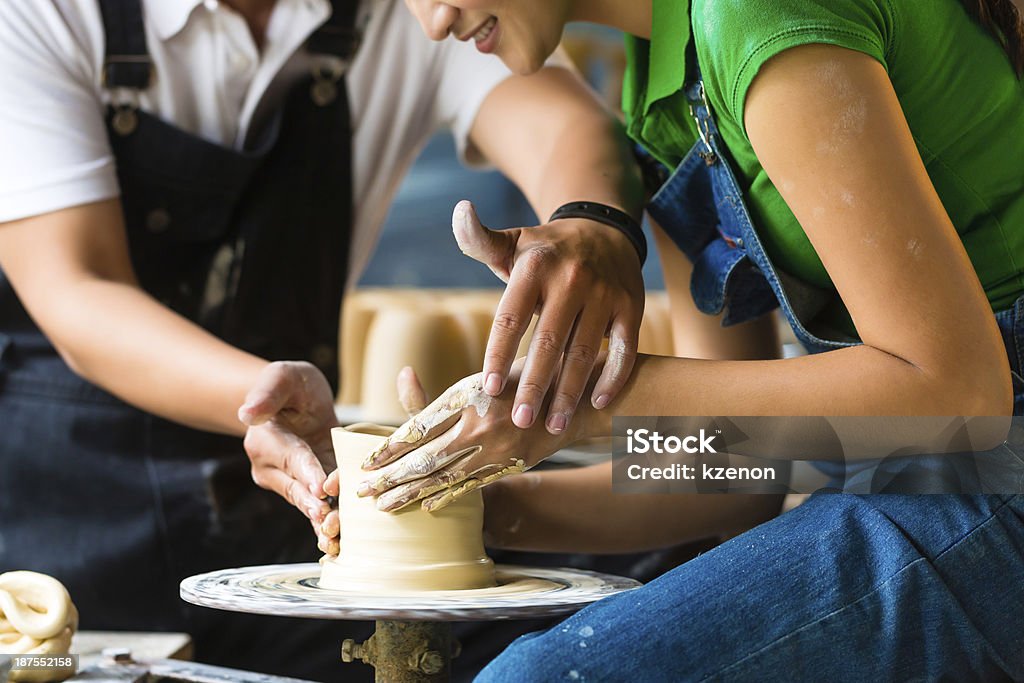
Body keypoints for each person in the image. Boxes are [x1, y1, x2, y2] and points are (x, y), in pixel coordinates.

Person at [358, 0, 1024, 679]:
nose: (432, 21)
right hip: (925, 467)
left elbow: (958, 396)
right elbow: (741, 471)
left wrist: (591, 397)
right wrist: (477, 510)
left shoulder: (753, 14)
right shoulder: (657, 96)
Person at [0, 0, 649, 679]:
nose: (434, 23)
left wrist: (591, 226)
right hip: (79, 525)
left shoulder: (430, 10)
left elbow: (735, 470)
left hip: (301, 519)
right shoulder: (42, 14)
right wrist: (467, 500)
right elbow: (76, 285)